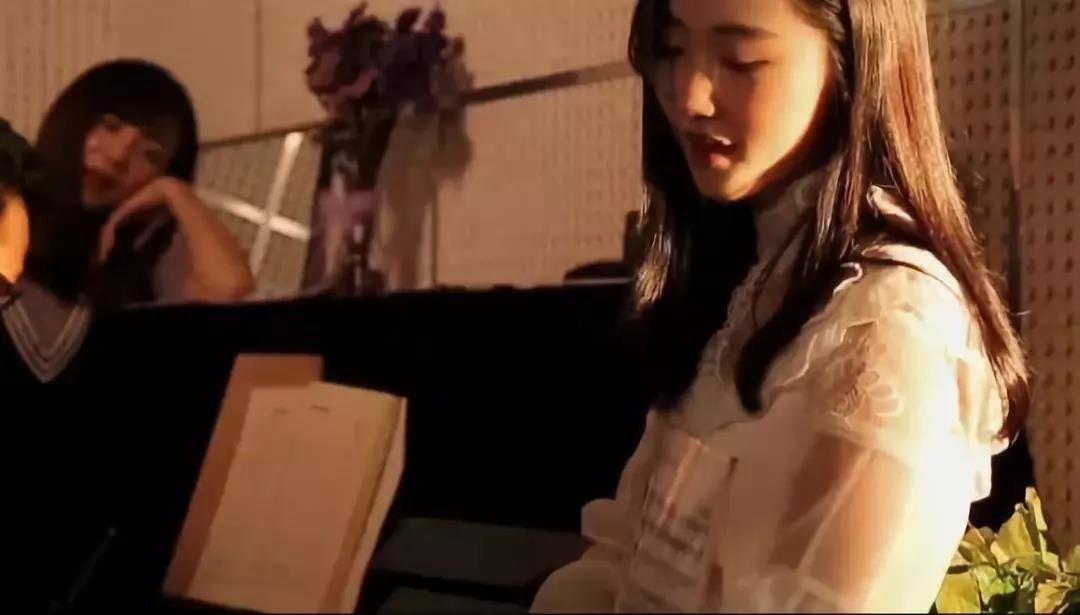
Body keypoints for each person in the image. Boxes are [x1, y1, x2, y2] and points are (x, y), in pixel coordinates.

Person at [532, 0, 1030, 612]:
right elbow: (624, 559)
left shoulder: (889, 324)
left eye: (741, 58)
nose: (688, 96)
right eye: (670, 48)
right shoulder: (746, 275)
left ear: (851, 61)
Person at [0, 59, 253, 383]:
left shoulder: (143, 247)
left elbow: (229, 290)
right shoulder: (10, 208)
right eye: (111, 126)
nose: (119, 156)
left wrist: (175, 192)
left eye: (151, 155)